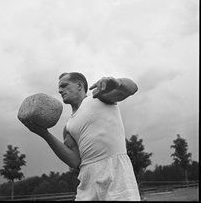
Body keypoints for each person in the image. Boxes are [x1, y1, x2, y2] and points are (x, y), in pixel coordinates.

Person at [22, 72, 141, 201]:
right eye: (59, 87)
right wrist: (45, 134)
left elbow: (132, 88)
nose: (60, 90)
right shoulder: (68, 126)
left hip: (116, 174)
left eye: (64, 85)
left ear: (79, 85)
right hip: (87, 179)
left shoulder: (98, 97)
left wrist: (118, 83)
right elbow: (74, 161)